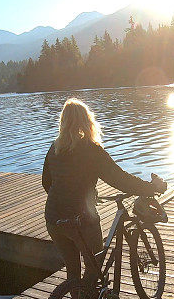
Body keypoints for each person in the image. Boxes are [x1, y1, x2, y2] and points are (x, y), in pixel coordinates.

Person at [42, 98, 167, 289]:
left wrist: (76, 193)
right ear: (87, 121)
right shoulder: (91, 150)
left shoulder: (55, 148)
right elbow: (121, 180)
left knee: (72, 272)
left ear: (63, 122)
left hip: (53, 219)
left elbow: (47, 183)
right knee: (94, 268)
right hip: (81, 219)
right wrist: (151, 187)